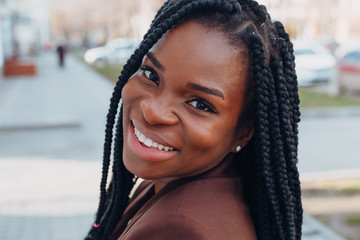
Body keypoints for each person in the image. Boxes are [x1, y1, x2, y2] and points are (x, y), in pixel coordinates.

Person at [86, 0, 302, 239]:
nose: (153, 111)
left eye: (200, 104)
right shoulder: (173, 179)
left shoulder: (177, 230)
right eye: (150, 74)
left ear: (243, 132)